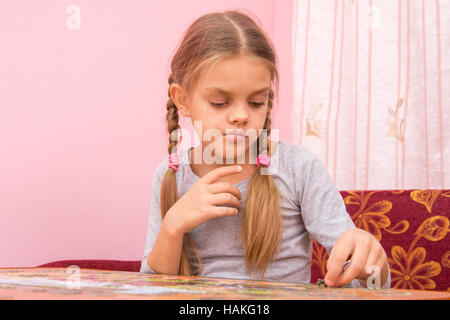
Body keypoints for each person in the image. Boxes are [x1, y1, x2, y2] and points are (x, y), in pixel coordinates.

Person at [140, 10, 390, 288]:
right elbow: (152, 288)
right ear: (182, 100)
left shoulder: (298, 168)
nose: (240, 116)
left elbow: (365, 278)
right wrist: (172, 226)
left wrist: (369, 263)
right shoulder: (170, 175)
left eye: (256, 102)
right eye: (220, 102)